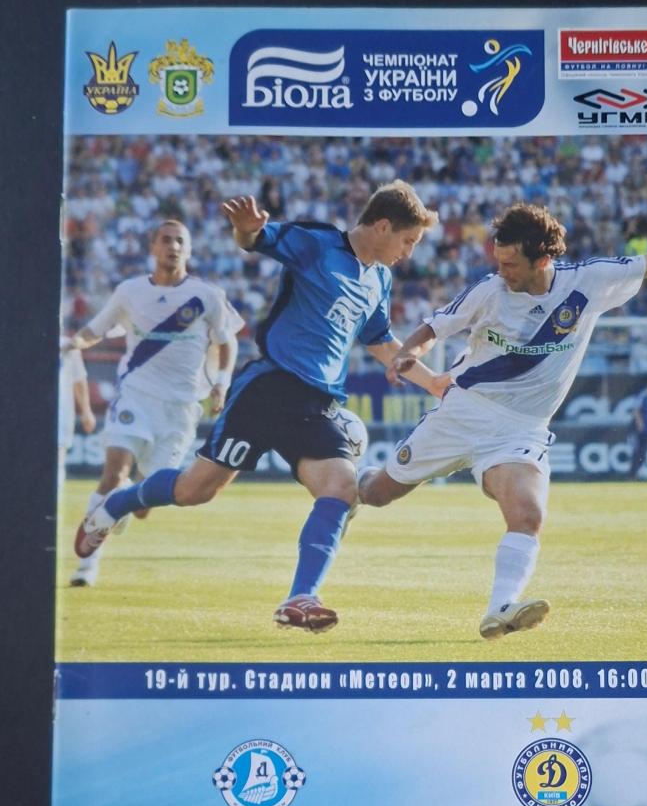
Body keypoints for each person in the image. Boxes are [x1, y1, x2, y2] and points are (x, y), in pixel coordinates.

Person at [75, 181, 448, 630]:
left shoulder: (379, 279)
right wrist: (247, 230)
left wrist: (434, 384)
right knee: (196, 490)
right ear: (383, 226)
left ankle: (300, 598)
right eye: (409, 240)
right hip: (269, 388)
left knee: (341, 488)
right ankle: (116, 504)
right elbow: (256, 239)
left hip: (318, 404)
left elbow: (382, 343)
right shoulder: (318, 243)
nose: (409, 252)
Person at [359, 202, 647, 639]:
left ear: (543, 260)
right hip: (464, 413)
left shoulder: (588, 282)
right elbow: (435, 328)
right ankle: (353, 481)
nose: (502, 271)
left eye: (510, 264)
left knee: (528, 515)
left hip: (520, 430)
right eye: (499, 261)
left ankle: (500, 608)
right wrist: (408, 353)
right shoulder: (489, 291)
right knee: (377, 494)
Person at [64, 220, 243, 587]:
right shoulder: (129, 291)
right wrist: (73, 344)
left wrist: (221, 384)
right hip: (135, 394)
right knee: (114, 472)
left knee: (145, 504)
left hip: (180, 409)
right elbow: (95, 330)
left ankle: (121, 506)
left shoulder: (207, 295)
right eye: (166, 240)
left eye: (180, 241)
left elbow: (227, 342)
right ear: (153, 246)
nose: (173, 246)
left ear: (188, 250)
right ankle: (86, 565)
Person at [58, 341, 96, 489]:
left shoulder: (68, 345)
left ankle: (53, 500)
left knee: (58, 459)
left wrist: (86, 411)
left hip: (60, 413)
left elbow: (79, 380)